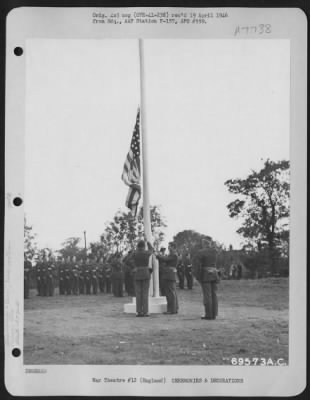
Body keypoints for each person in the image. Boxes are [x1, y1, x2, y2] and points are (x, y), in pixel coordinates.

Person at [193, 238, 220, 320]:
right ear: (210, 243)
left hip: (206, 274)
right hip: (214, 273)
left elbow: (197, 265)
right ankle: (214, 314)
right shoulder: (215, 251)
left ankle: (208, 314)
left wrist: (197, 276)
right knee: (214, 294)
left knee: (207, 295)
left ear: (204, 243)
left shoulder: (201, 252)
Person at [129, 240, 153, 317]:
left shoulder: (134, 253)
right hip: (146, 273)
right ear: (143, 246)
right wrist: (148, 242)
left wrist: (134, 267)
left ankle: (139, 312)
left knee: (138, 294)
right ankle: (145, 312)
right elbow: (152, 250)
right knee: (145, 294)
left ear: (138, 246)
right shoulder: (146, 252)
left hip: (137, 273)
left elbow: (127, 260)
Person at [157, 242, 178, 314]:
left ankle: (171, 310)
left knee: (170, 293)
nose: (169, 248)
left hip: (169, 275)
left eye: (170, 246)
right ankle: (174, 309)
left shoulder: (173, 255)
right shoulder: (172, 254)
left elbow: (165, 259)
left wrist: (158, 255)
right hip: (169, 275)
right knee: (171, 292)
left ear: (174, 247)